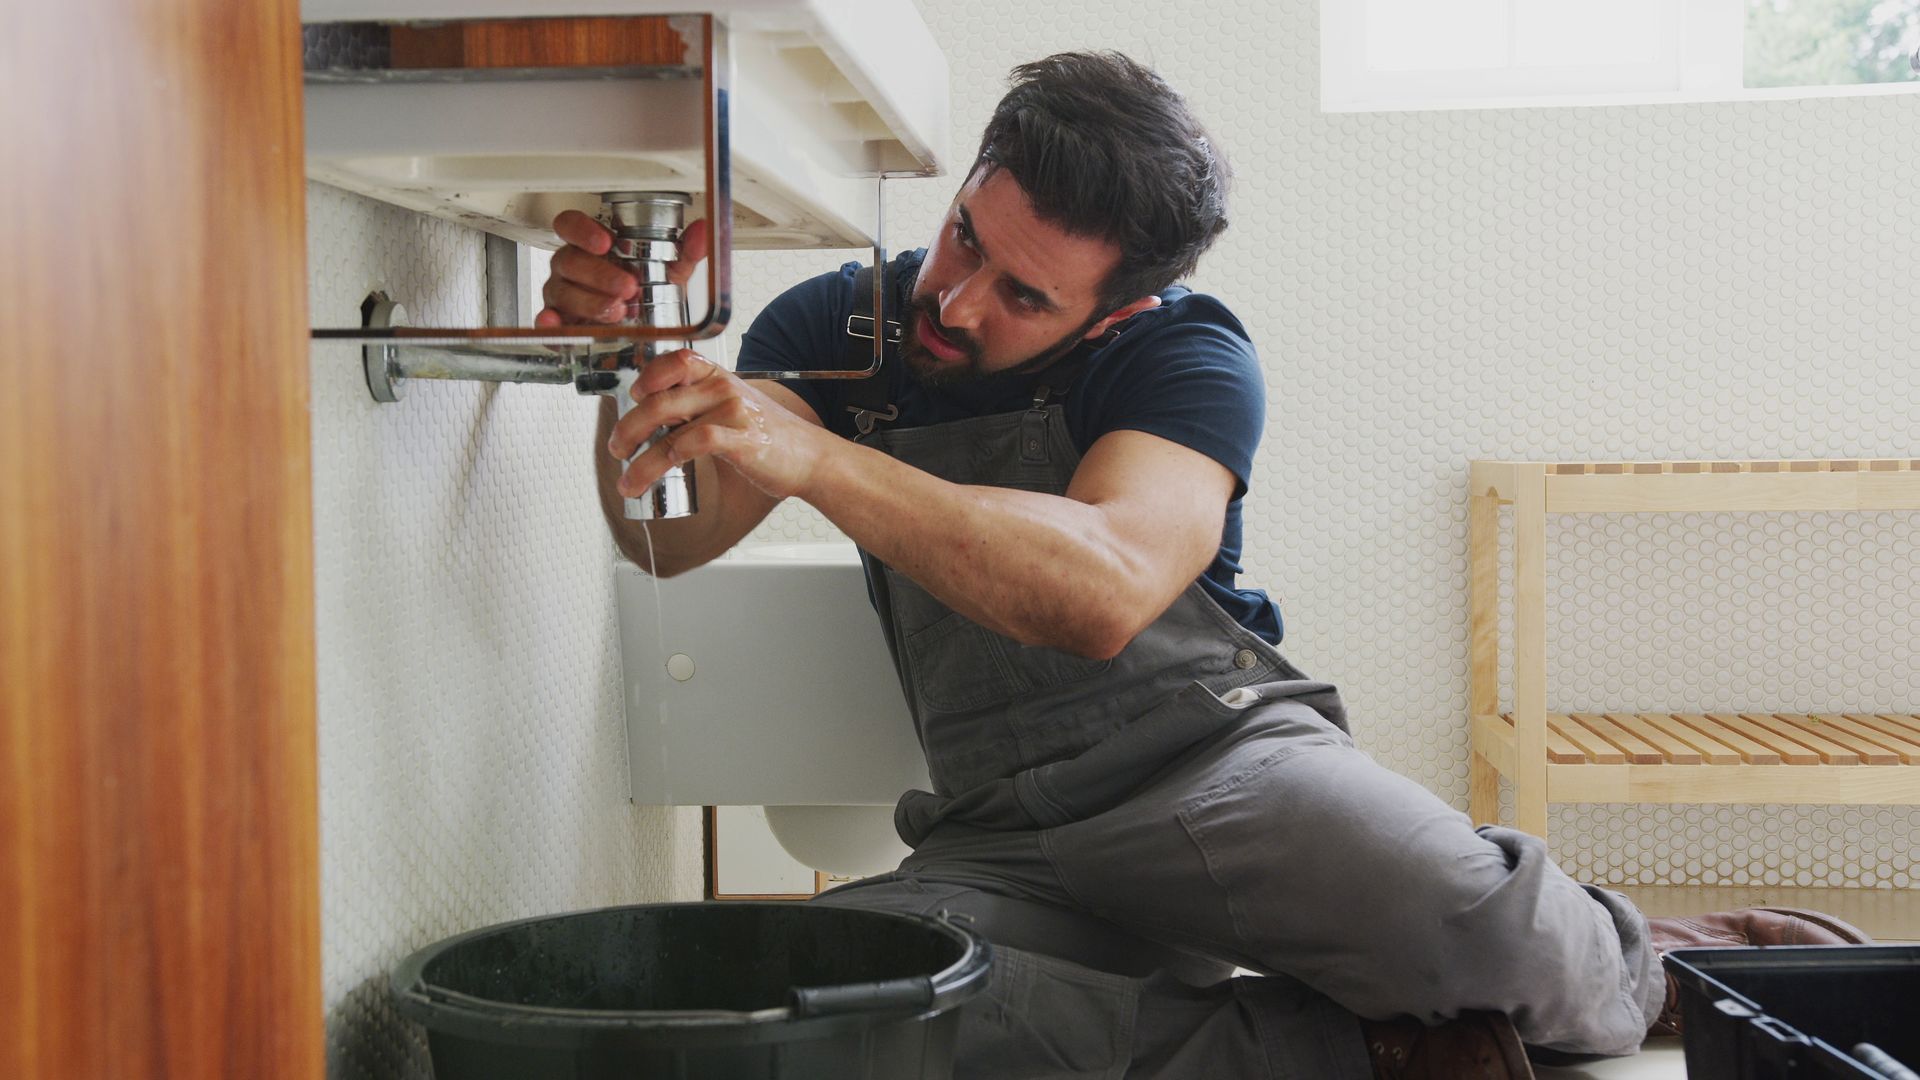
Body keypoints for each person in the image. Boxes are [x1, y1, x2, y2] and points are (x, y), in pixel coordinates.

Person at [539, 51, 1869, 1080]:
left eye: (1025, 296)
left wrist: (823, 461)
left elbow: (1105, 587)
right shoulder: (843, 325)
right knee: (860, 1020)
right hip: (1004, 832)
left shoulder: (1186, 357)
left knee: (1479, 926)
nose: (956, 304)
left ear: (1120, 307)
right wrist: (631, 365)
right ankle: (1367, 1054)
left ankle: (1669, 967)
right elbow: (667, 531)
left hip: (1219, 774)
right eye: (964, 241)